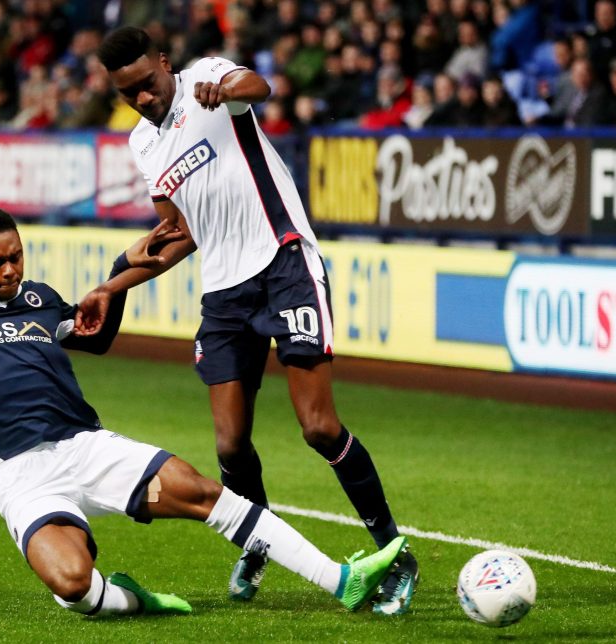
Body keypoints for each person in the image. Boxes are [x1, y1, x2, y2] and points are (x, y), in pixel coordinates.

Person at [0, 207, 409, 618]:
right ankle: (127, 599)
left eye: (16, 257)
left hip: (85, 444)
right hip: (20, 474)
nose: (9, 270)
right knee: (69, 581)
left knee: (204, 490)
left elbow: (95, 337)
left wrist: (116, 277)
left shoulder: (38, 300)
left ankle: (340, 579)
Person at [85, 26, 418, 615]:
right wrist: (112, 285)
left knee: (318, 427)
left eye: (146, 83)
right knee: (230, 443)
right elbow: (178, 234)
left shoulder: (207, 79)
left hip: (283, 260)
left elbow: (256, 85)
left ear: (165, 63)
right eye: (126, 93)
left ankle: (394, 551)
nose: (142, 98)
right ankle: (261, 541)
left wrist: (228, 85)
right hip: (225, 290)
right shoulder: (143, 145)